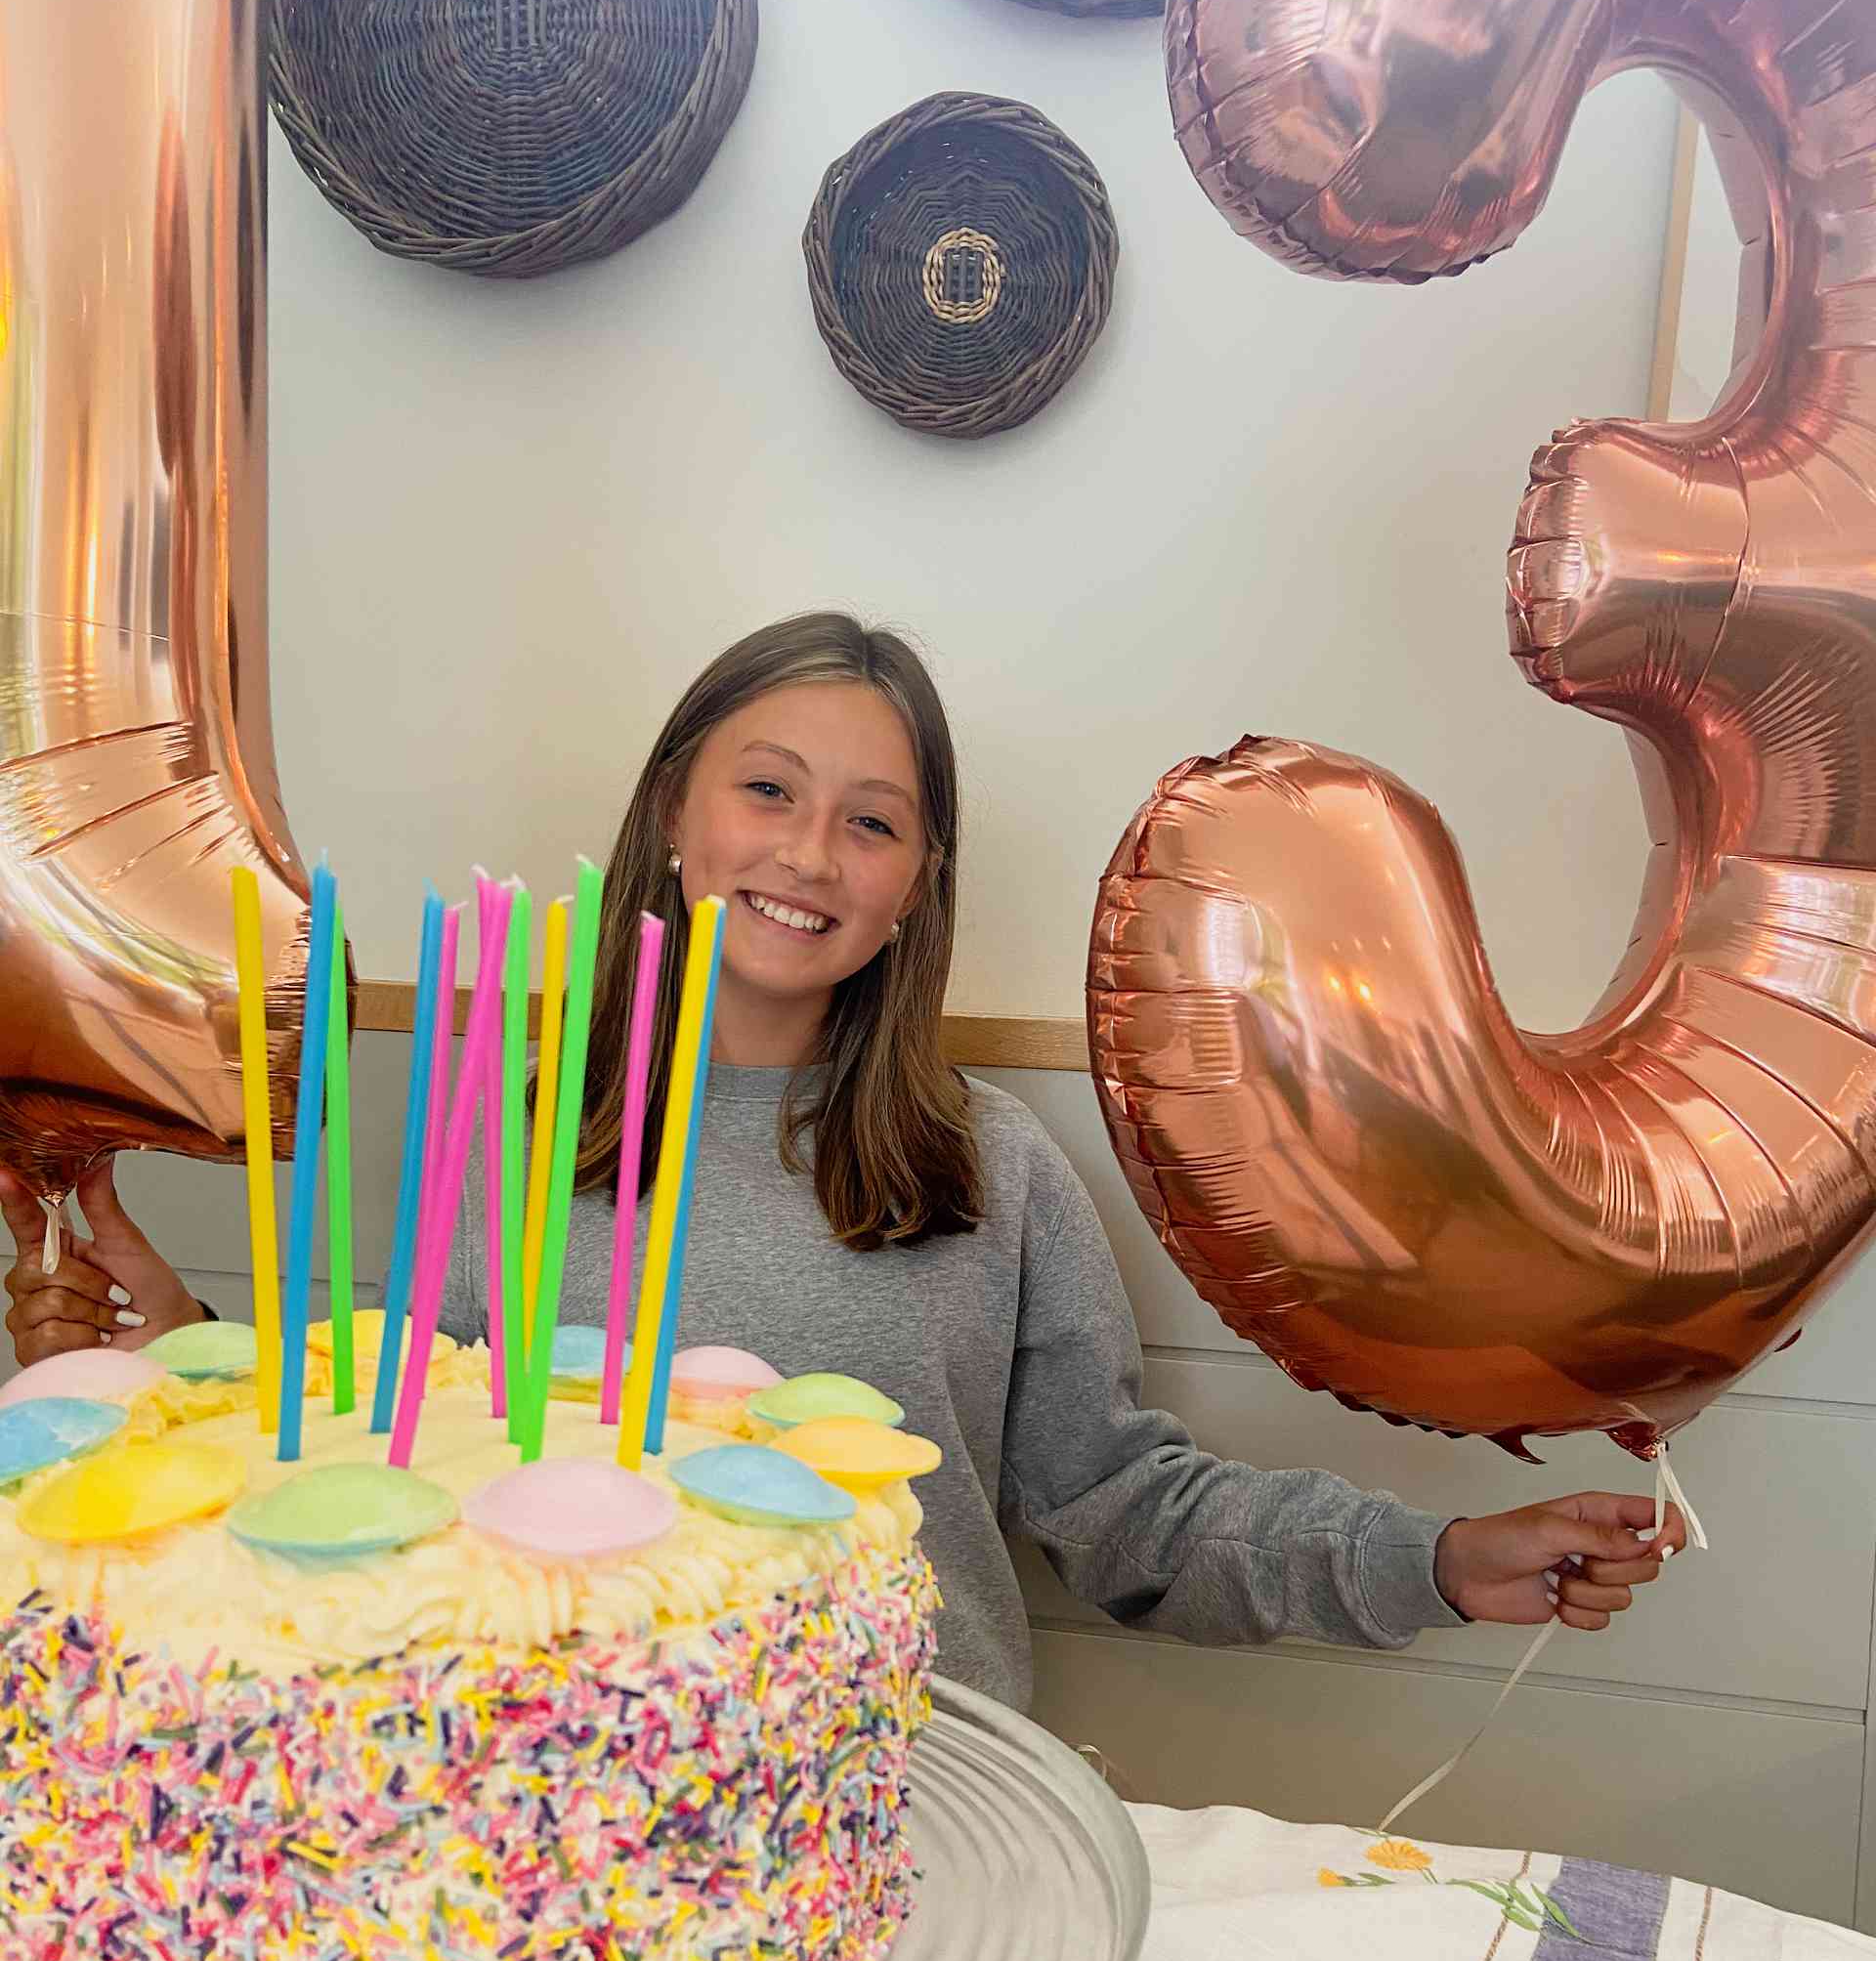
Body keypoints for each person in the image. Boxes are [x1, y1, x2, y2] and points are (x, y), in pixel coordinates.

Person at [0, 613, 1684, 1710]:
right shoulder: (492, 1146)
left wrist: (1436, 1562)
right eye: (770, 791)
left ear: (915, 878)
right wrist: (158, 1355)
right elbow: (372, 1470)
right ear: (679, 812)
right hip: (565, 1822)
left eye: (871, 820)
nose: (811, 853)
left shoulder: (987, 1172)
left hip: (923, 1811)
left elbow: (1124, 1513)